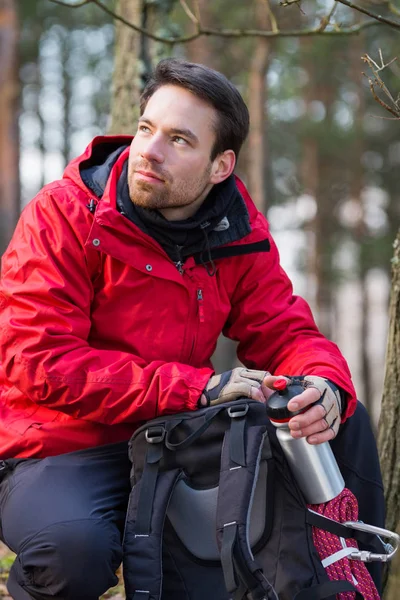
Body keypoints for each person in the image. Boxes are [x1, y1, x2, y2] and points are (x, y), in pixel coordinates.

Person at [0, 59, 383, 600]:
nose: (150, 151)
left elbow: (285, 331)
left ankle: (354, 583)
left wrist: (323, 385)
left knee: (339, 420)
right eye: (147, 129)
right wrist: (196, 388)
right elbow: (38, 362)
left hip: (176, 442)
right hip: (60, 445)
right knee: (71, 554)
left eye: (179, 139)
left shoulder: (237, 234)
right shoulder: (62, 216)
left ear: (220, 166)